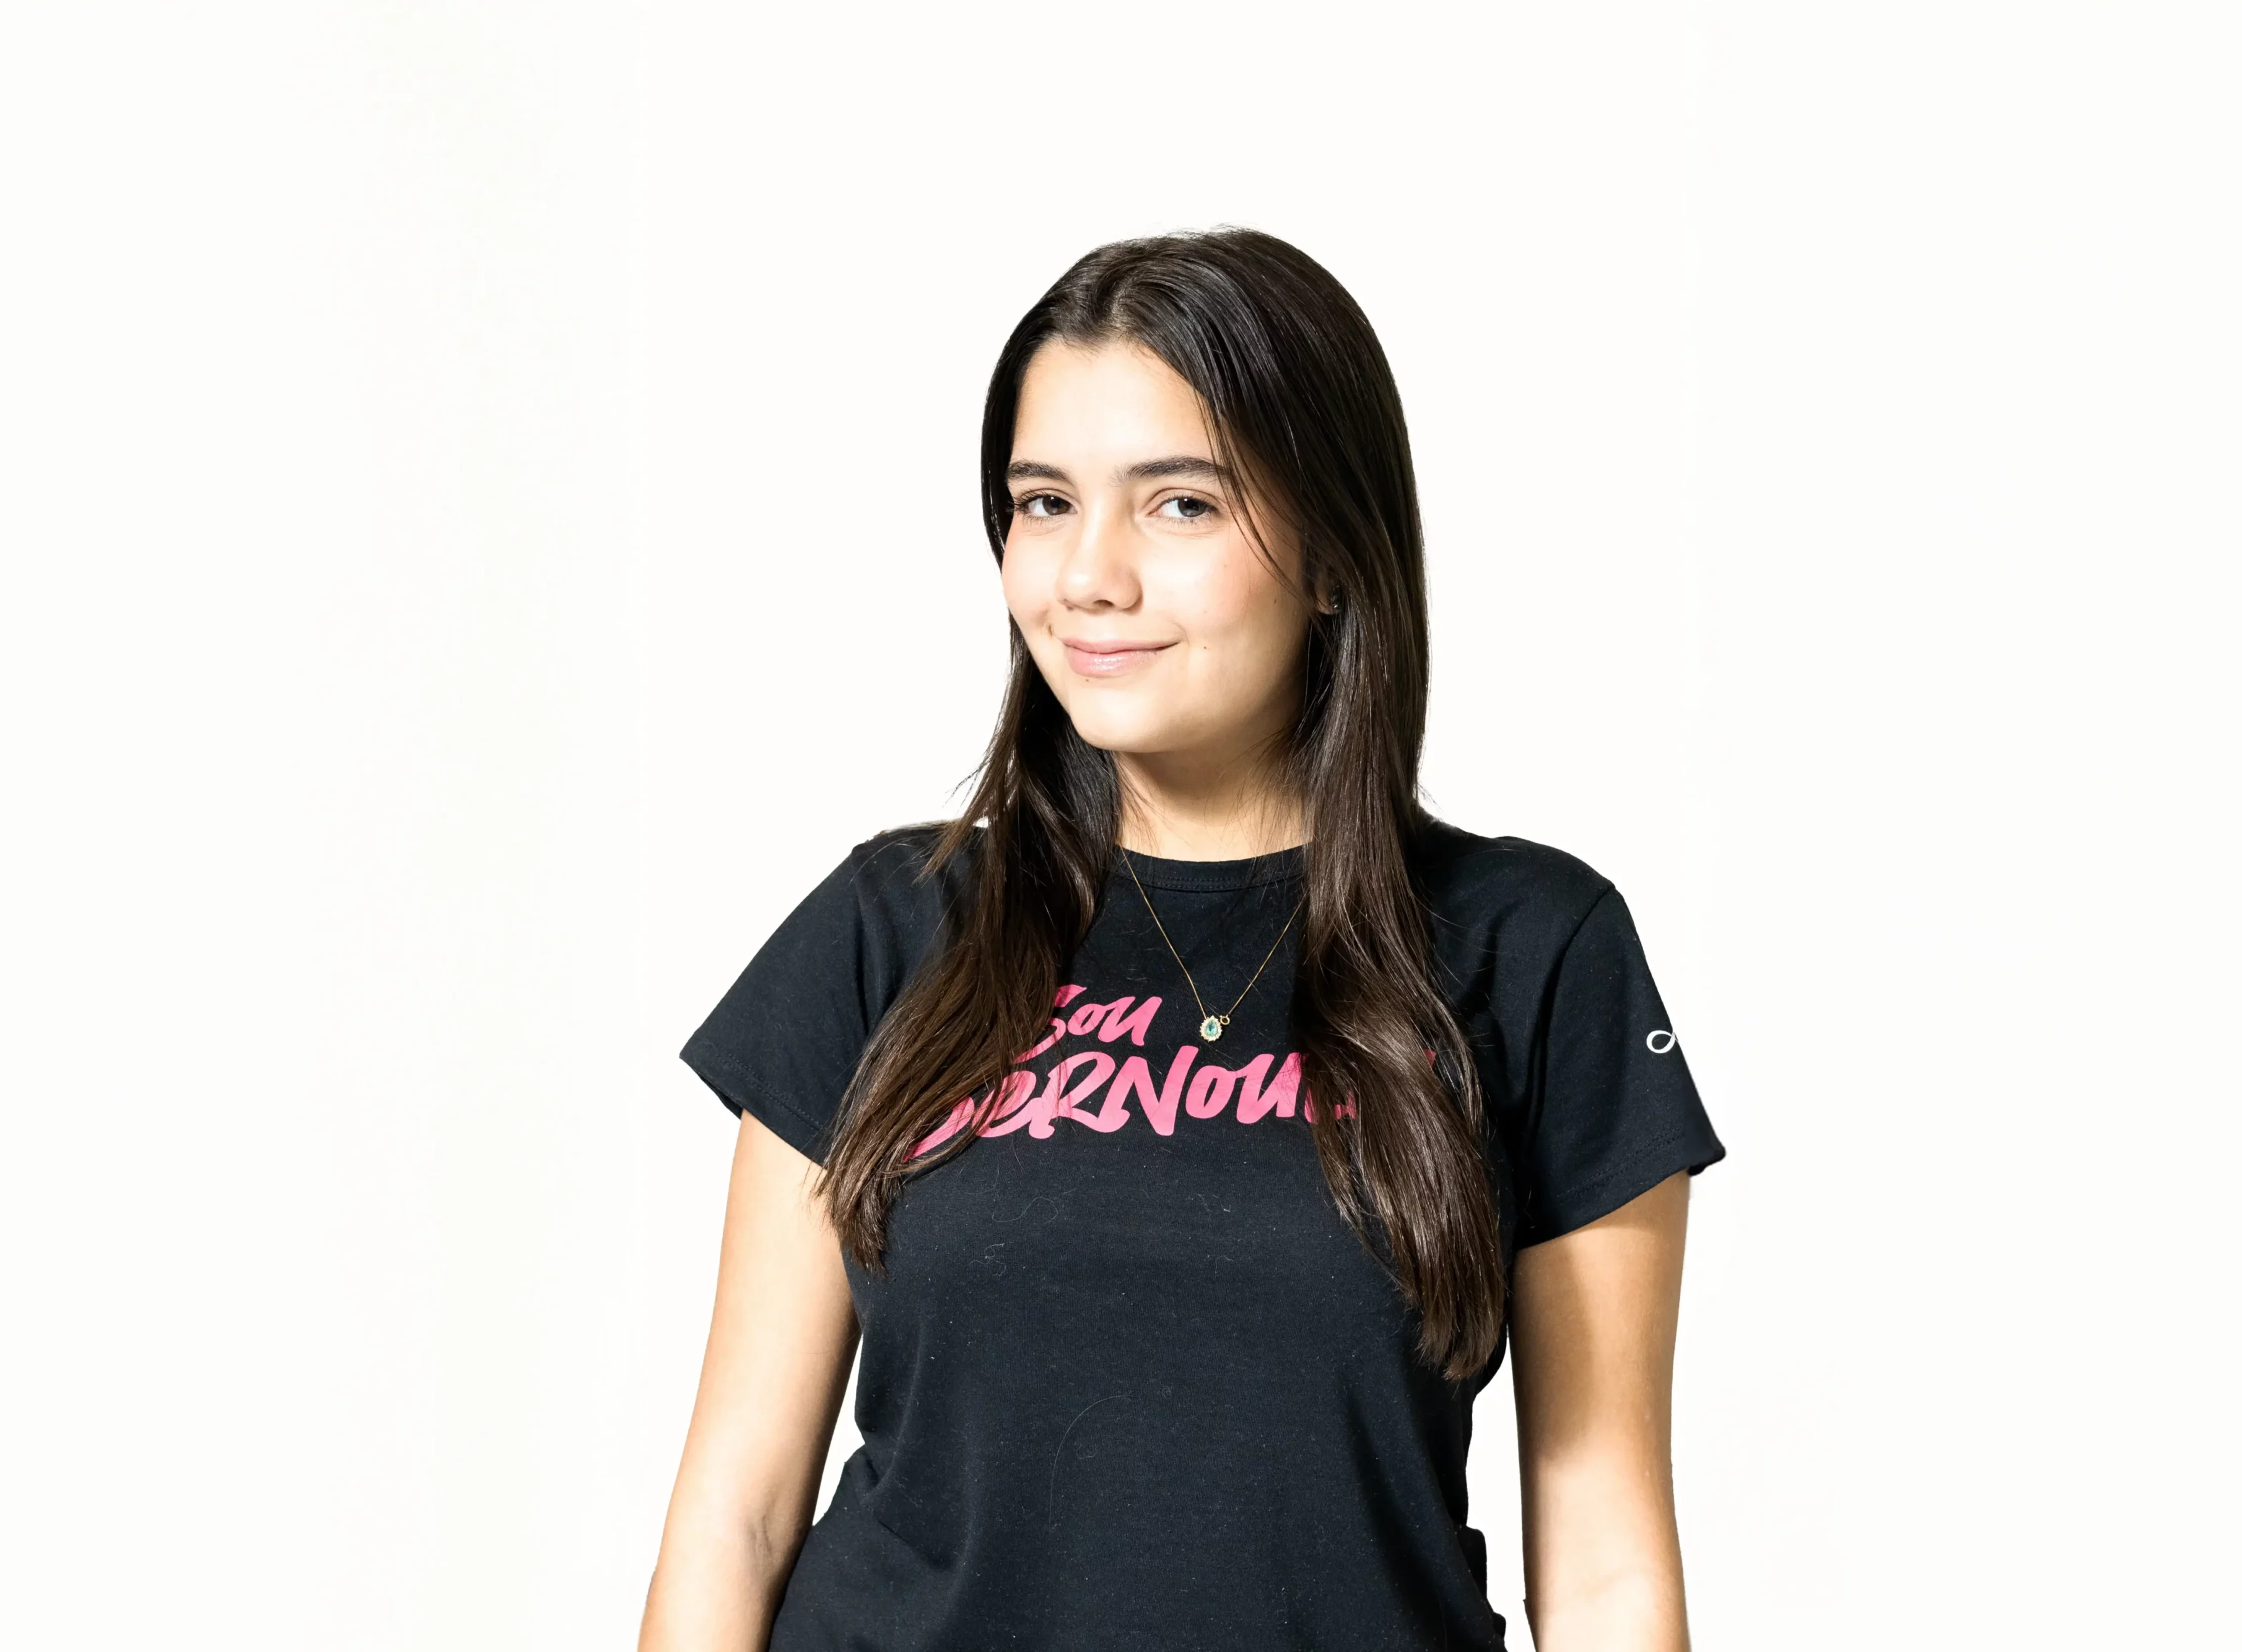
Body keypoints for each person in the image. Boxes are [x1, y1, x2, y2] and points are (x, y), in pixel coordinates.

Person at [637, 227, 1725, 1652]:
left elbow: (1602, 1567)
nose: (1088, 575)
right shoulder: (890, 926)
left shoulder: (1530, 948)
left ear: (1330, 553)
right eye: (1042, 502)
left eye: (1180, 505)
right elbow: (737, 1513)